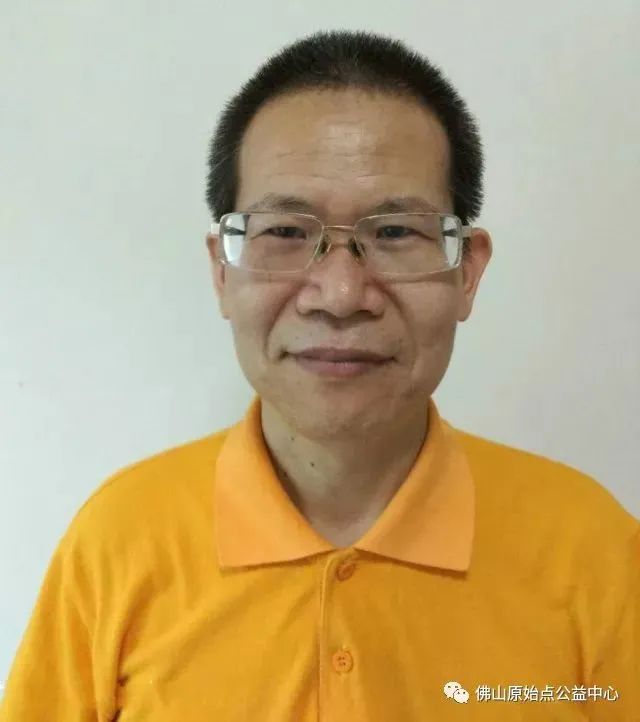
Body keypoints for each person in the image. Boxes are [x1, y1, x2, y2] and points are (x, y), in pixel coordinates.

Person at [1, 29, 637, 722]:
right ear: (222, 271)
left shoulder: (593, 552)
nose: (339, 295)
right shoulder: (119, 541)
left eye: (395, 233)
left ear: (468, 273)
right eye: (285, 232)